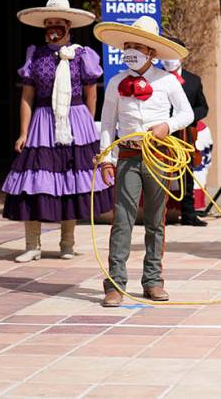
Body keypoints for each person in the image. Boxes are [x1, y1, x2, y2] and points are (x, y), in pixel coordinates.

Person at [2, 0, 114, 262]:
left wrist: (86, 124)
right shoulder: (35, 55)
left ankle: (67, 243)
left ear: (68, 26)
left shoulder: (82, 56)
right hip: (42, 121)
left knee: (71, 182)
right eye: (48, 22)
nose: (52, 27)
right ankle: (32, 244)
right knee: (35, 182)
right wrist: (23, 131)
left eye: (58, 22)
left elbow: (92, 94)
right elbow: (27, 96)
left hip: (74, 121)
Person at [95, 16, 194, 306]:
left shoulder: (167, 81)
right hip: (126, 154)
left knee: (155, 220)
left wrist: (166, 126)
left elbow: (187, 113)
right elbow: (107, 123)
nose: (131, 51)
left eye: (137, 46)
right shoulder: (115, 82)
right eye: (128, 46)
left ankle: (153, 280)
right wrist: (106, 159)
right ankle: (114, 282)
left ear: (151, 52)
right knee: (122, 219)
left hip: (158, 154)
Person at [161, 40, 209, 226]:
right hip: (162, 133)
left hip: (185, 134)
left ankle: (188, 214)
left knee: (186, 174)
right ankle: (159, 215)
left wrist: (187, 118)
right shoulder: (156, 79)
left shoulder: (193, 80)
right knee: (159, 174)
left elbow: (203, 107)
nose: (170, 59)